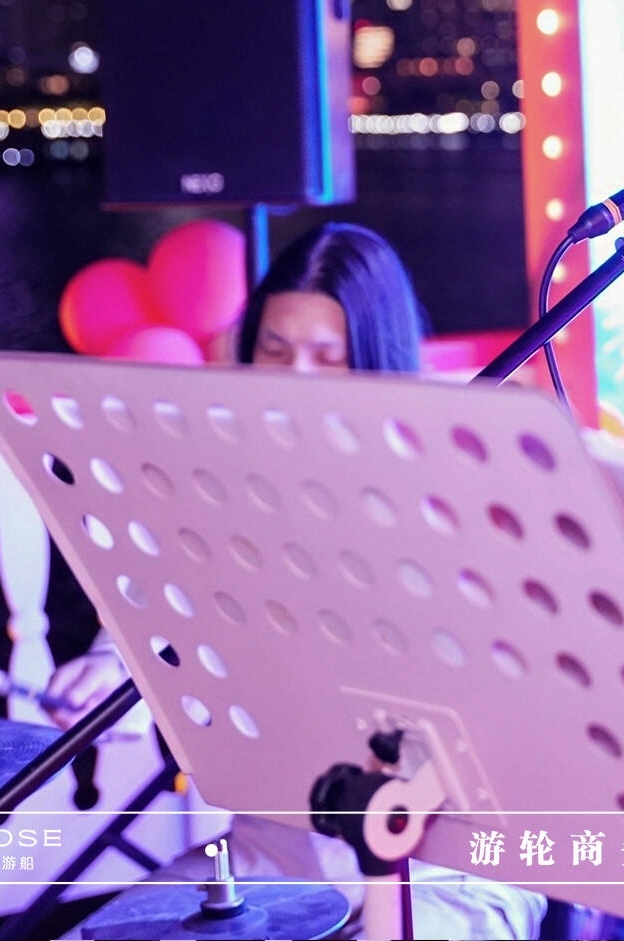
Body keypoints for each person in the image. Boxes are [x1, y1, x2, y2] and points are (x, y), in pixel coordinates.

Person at [47, 221, 547, 941]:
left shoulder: (450, 499)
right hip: (270, 861)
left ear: (375, 362)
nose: (295, 379)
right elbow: (150, 611)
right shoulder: (218, 494)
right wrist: (106, 671)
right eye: (275, 351)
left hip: (446, 875)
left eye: (328, 357)